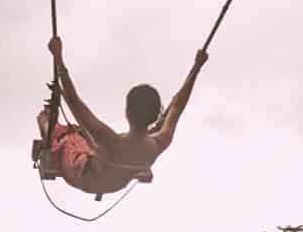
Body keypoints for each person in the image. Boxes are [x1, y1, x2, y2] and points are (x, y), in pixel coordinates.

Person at [36, 36, 208, 197]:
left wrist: (58, 58)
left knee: (64, 135)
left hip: (84, 177)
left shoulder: (113, 142)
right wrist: (196, 68)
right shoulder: (158, 143)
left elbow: (78, 107)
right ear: (156, 116)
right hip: (115, 183)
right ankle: (59, 127)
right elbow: (177, 107)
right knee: (82, 133)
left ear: (127, 113)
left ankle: (46, 120)